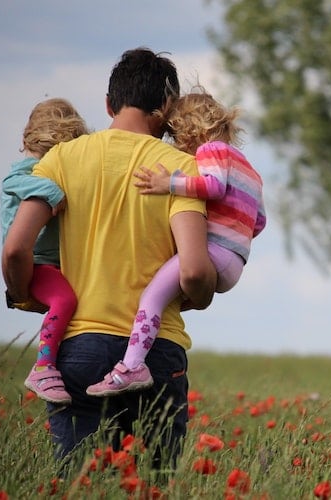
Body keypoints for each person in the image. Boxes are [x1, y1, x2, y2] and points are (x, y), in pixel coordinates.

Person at [1, 48, 217, 466]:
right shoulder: (181, 170)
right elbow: (192, 270)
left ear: (108, 103)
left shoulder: (61, 159)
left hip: (78, 348)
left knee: (80, 483)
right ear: (167, 108)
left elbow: (15, 248)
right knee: (153, 487)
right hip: (156, 352)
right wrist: (202, 293)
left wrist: (24, 293)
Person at [87, 89, 266, 397]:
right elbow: (259, 221)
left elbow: (212, 186)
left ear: (192, 129)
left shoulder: (212, 151)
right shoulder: (250, 170)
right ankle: (141, 351)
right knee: (167, 296)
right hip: (235, 261)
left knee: (151, 297)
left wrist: (167, 184)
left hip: (213, 252)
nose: (176, 144)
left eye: (176, 135)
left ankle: (131, 366)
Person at [1, 98, 88, 404]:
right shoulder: (28, 171)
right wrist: (53, 192)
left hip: (51, 263)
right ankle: (43, 366)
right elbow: (13, 182)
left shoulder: (42, 167)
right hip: (36, 263)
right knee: (65, 299)